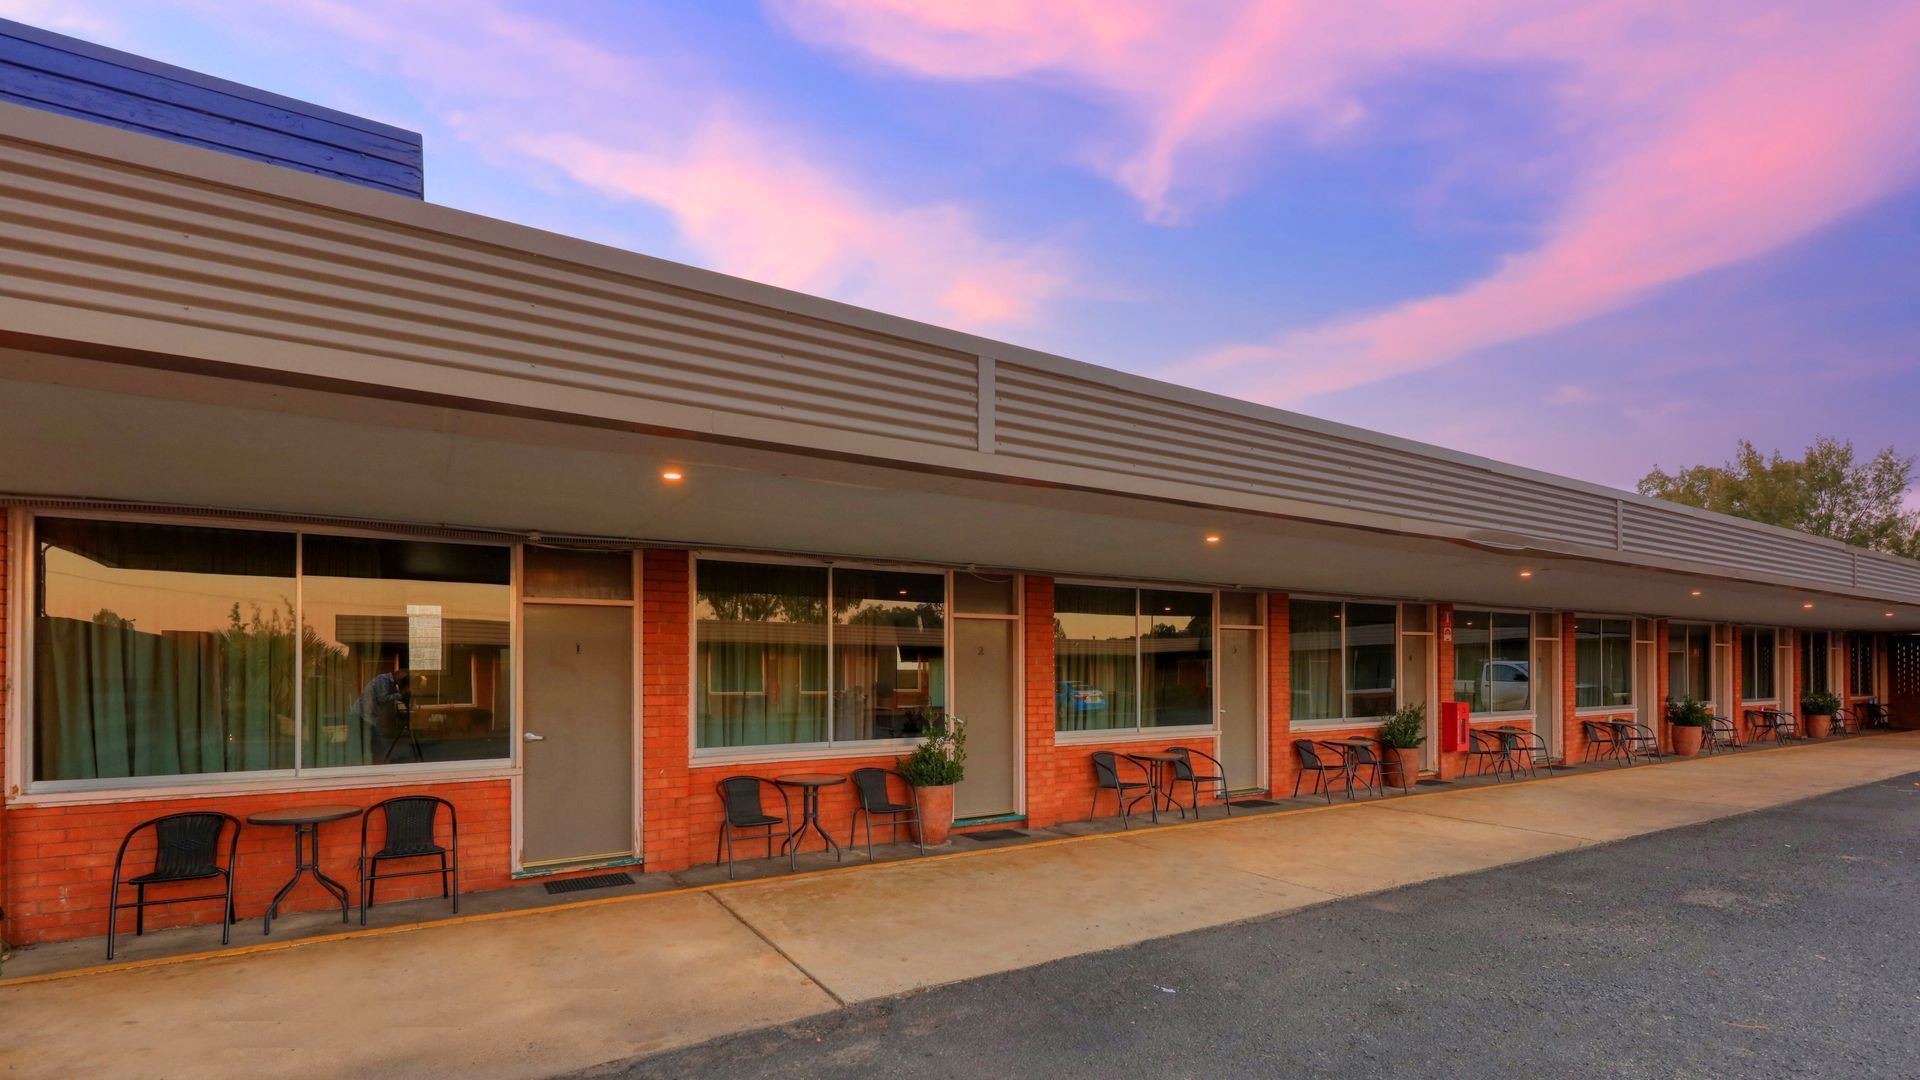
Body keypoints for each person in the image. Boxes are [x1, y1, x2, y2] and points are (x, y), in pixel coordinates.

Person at [353, 665, 417, 763]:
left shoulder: (393, 684)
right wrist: (401, 694)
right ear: (399, 674)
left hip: (368, 717)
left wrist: (406, 698)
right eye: (403, 681)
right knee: (378, 746)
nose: (401, 684)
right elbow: (381, 698)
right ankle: (377, 766)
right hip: (361, 715)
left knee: (371, 746)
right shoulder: (382, 680)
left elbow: (398, 695)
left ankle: (374, 765)